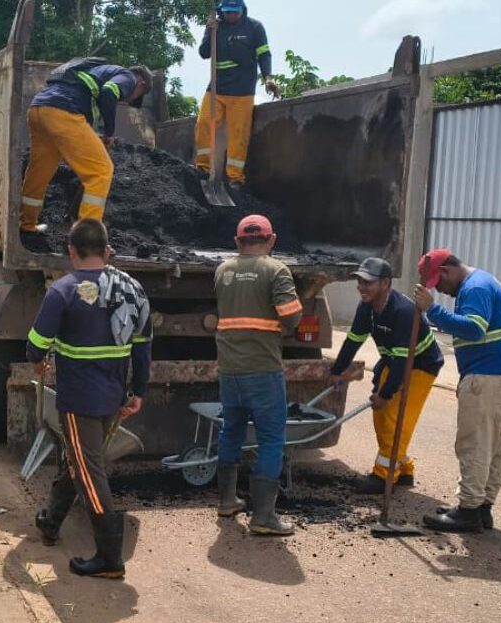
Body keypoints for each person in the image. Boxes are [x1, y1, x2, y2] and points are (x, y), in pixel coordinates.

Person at [27, 219, 152, 578]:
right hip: (114, 395)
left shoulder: (63, 291)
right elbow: (143, 347)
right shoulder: (133, 289)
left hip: (79, 398)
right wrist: (138, 391)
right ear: (106, 249)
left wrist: (38, 361)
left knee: (89, 470)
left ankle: (110, 558)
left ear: (71, 251)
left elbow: (35, 345)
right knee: (79, 458)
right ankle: (51, 522)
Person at [412, 249, 501, 533]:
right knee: (494, 447)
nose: (440, 289)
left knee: (475, 445)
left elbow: (474, 329)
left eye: (439, 282)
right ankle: (482, 508)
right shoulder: (482, 283)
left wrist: (432, 310)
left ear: (448, 270)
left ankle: (469, 511)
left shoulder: (474, 288)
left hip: (487, 378)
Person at [213, 215, 303, 535]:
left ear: (238, 242)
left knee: (231, 431)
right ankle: (263, 517)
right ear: (271, 240)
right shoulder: (276, 270)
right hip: (263, 369)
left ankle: (227, 500)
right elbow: (291, 317)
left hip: (229, 370)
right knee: (270, 440)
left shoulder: (222, 271)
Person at [328, 257, 444, 494]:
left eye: (368, 282)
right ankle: (405, 469)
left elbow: (403, 362)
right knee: (380, 416)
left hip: (421, 365)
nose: (361, 287)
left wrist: (386, 393)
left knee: (395, 420)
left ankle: (383, 476)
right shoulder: (366, 308)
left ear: (385, 283)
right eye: (359, 281)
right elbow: (353, 341)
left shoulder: (404, 311)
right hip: (393, 361)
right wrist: (336, 371)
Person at [19, 58, 153, 244]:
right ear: (141, 84)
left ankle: (26, 224)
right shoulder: (128, 77)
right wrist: (109, 133)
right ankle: (87, 240)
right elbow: (108, 93)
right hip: (64, 112)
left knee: (39, 172)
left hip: (40, 109)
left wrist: (96, 136)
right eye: (136, 96)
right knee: (101, 172)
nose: (130, 99)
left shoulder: (98, 70)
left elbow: (83, 118)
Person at [194, 0, 280, 189]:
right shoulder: (216, 27)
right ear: (221, 11)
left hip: (242, 90)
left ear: (242, 10)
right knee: (204, 123)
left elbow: (264, 54)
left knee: (238, 134)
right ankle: (202, 168)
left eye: (235, 12)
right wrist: (210, 32)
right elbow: (204, 53)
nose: (232, 15)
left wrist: (268, 77)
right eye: (228, 12)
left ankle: (235, 179)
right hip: (217, 87)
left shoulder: (254, 27)